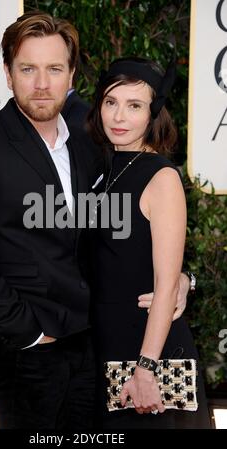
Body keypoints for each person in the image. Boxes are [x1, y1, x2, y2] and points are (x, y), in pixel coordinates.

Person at [0, 11, 190, 430]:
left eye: (54, 69)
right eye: (28, 69)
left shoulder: (90, 136)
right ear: (7, 73)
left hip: (97, 346)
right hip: (29, 356)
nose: (42, 84)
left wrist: (179, 278)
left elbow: (129, 229)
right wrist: (30, 332)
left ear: (71, 73)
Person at [87, 57, 211, 429]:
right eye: (111, 102)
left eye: (134, 105)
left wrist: (145, 369)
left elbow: (165, 284)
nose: (119, 116)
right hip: (109, 344)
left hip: (149, 353)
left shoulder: (161, 178)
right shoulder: (104, 169)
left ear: (153, 114)